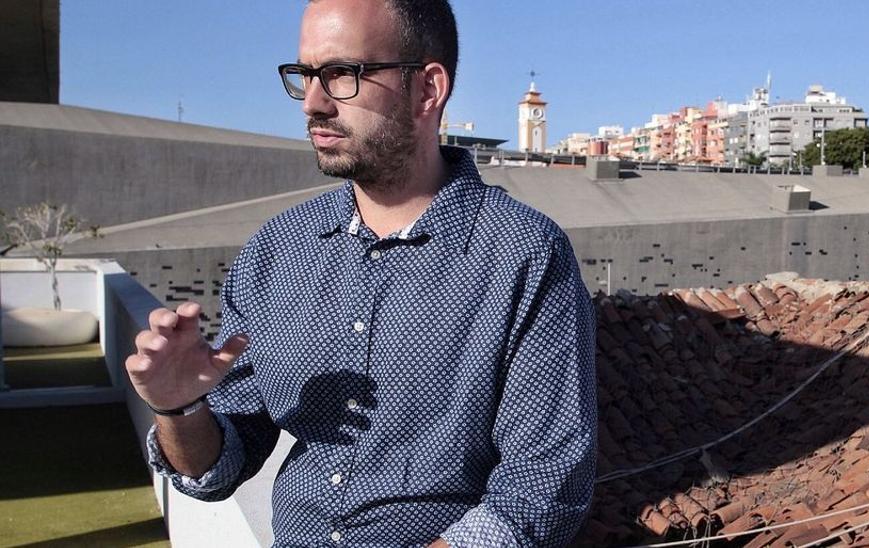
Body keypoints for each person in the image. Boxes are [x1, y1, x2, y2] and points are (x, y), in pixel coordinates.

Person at [124, 0, 597, 545]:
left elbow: (542, 487)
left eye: (341, 74)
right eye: (305, 76)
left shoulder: (524, 252)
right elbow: (222, 465)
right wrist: (179, 407)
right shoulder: (276, 251)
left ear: (428, 89)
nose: (313, 103)